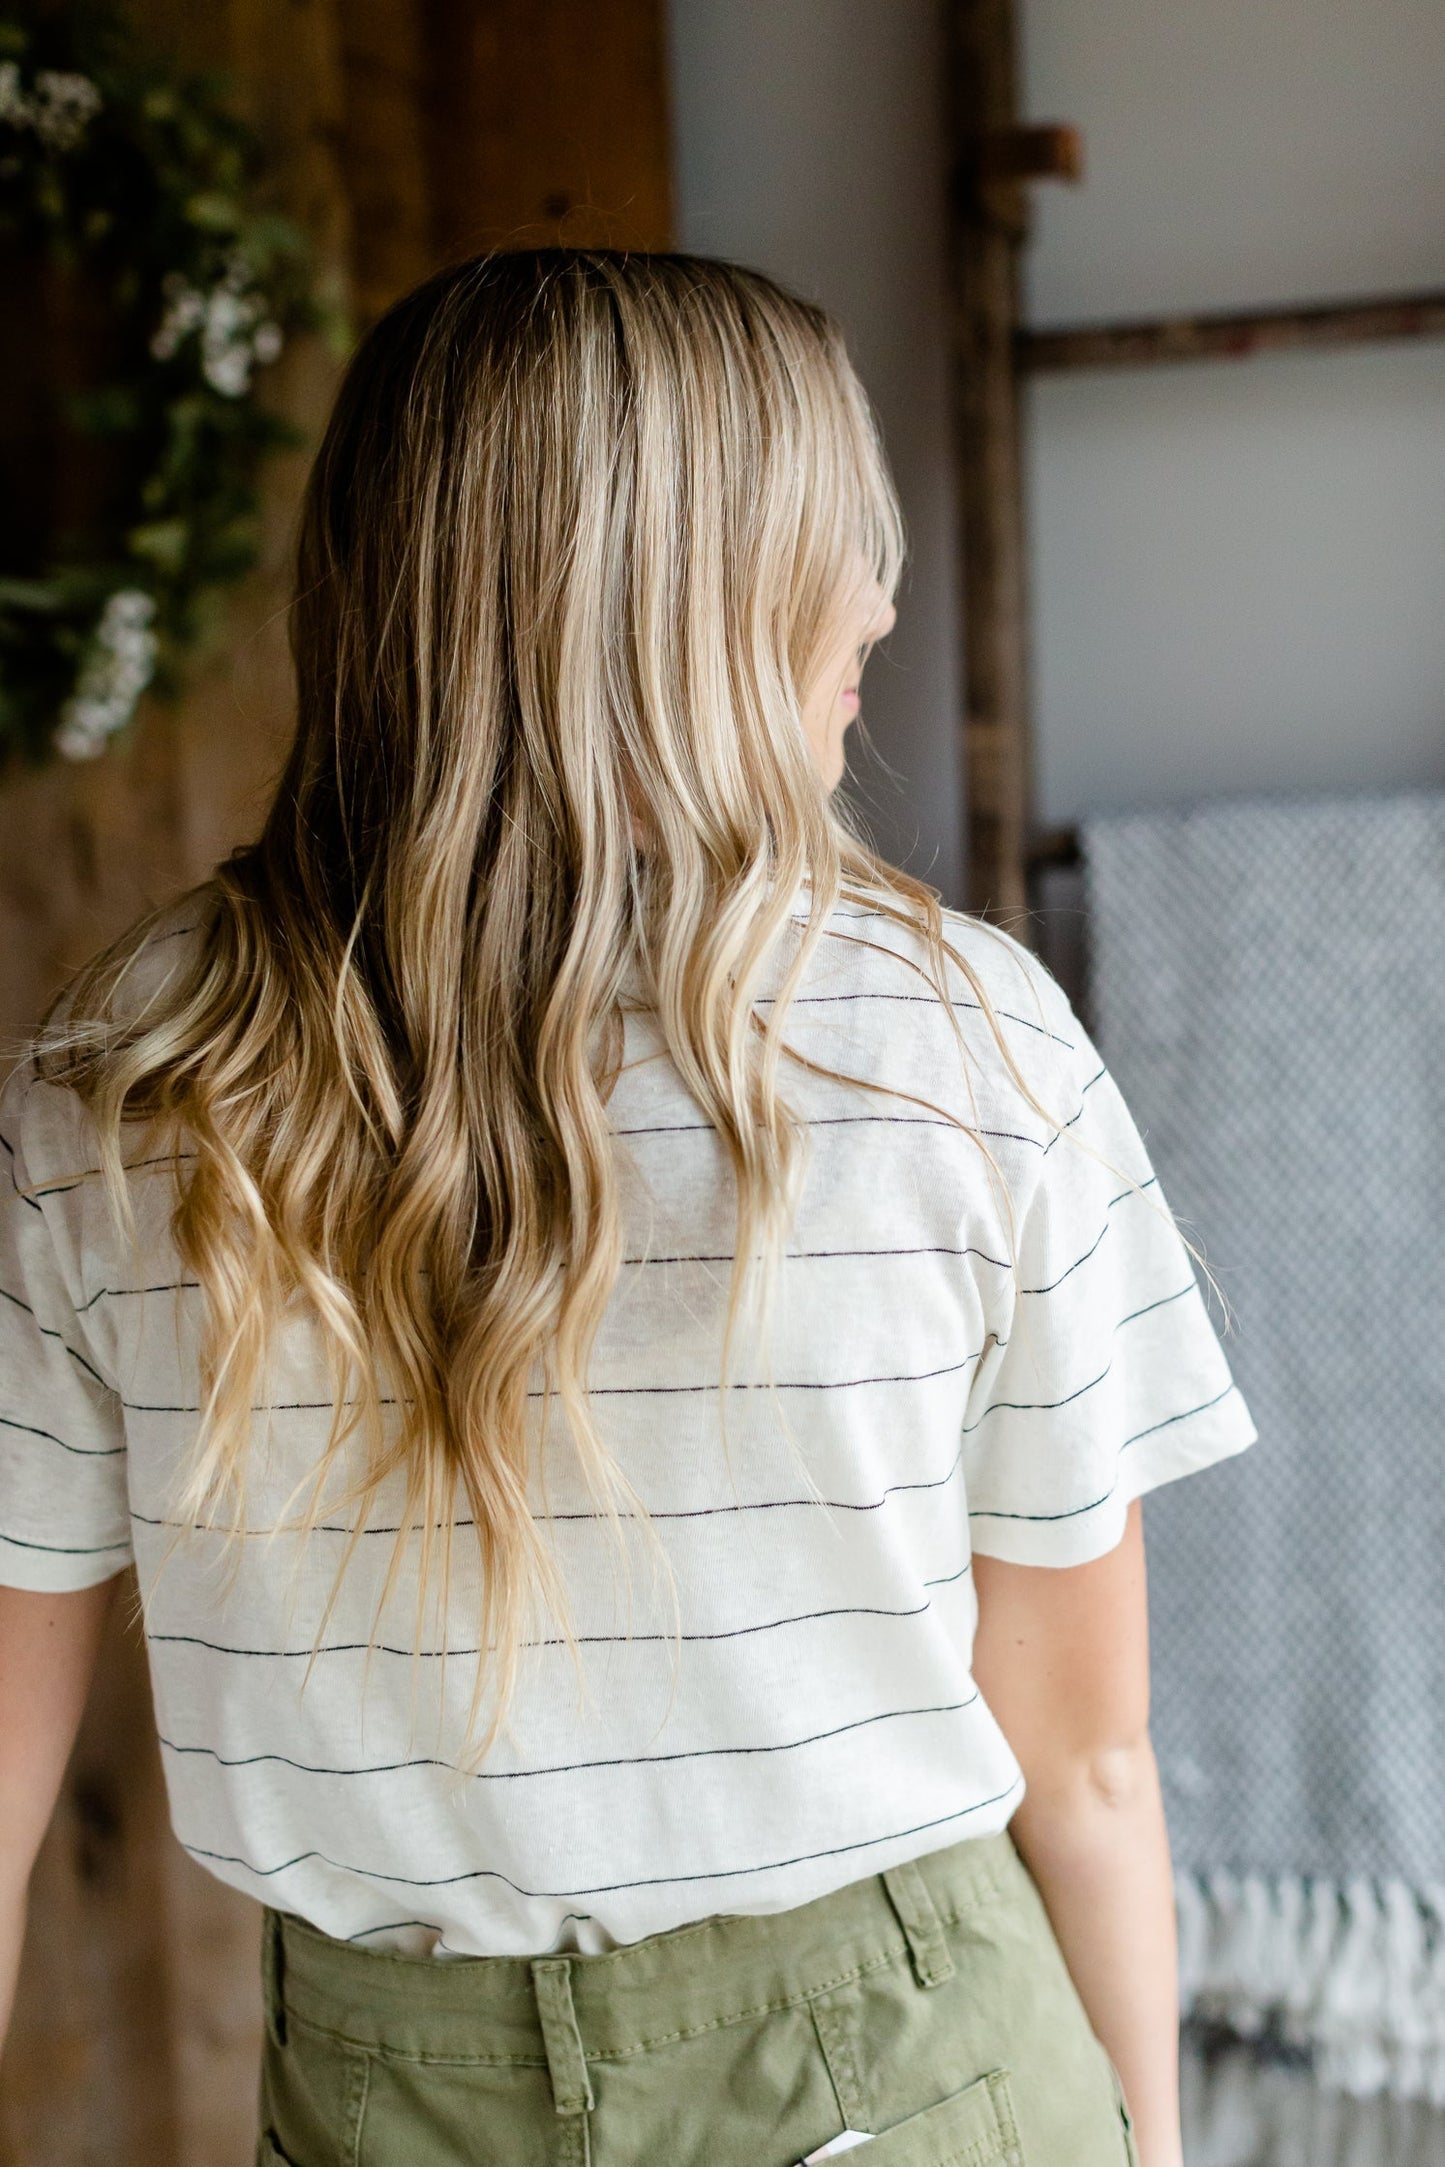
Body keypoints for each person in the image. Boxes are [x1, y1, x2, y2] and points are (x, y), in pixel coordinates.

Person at [0, 250, 1254, 2167]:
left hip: (416, 2089)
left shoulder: (120, 1085)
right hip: (905, 2074)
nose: (885, 606)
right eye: (832, 546)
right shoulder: (964, 1045)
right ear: (676, 609)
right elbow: (1083, 1759)